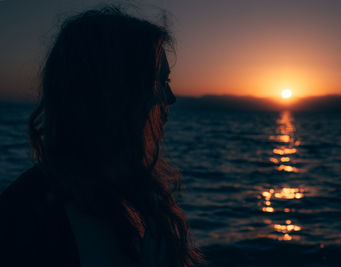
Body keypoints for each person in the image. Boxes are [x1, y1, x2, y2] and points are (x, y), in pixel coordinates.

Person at [0, 6, 202, 267]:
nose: (170, 98)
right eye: (159, 82)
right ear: (116, 94)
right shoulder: (22, 217)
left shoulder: (136, 195)